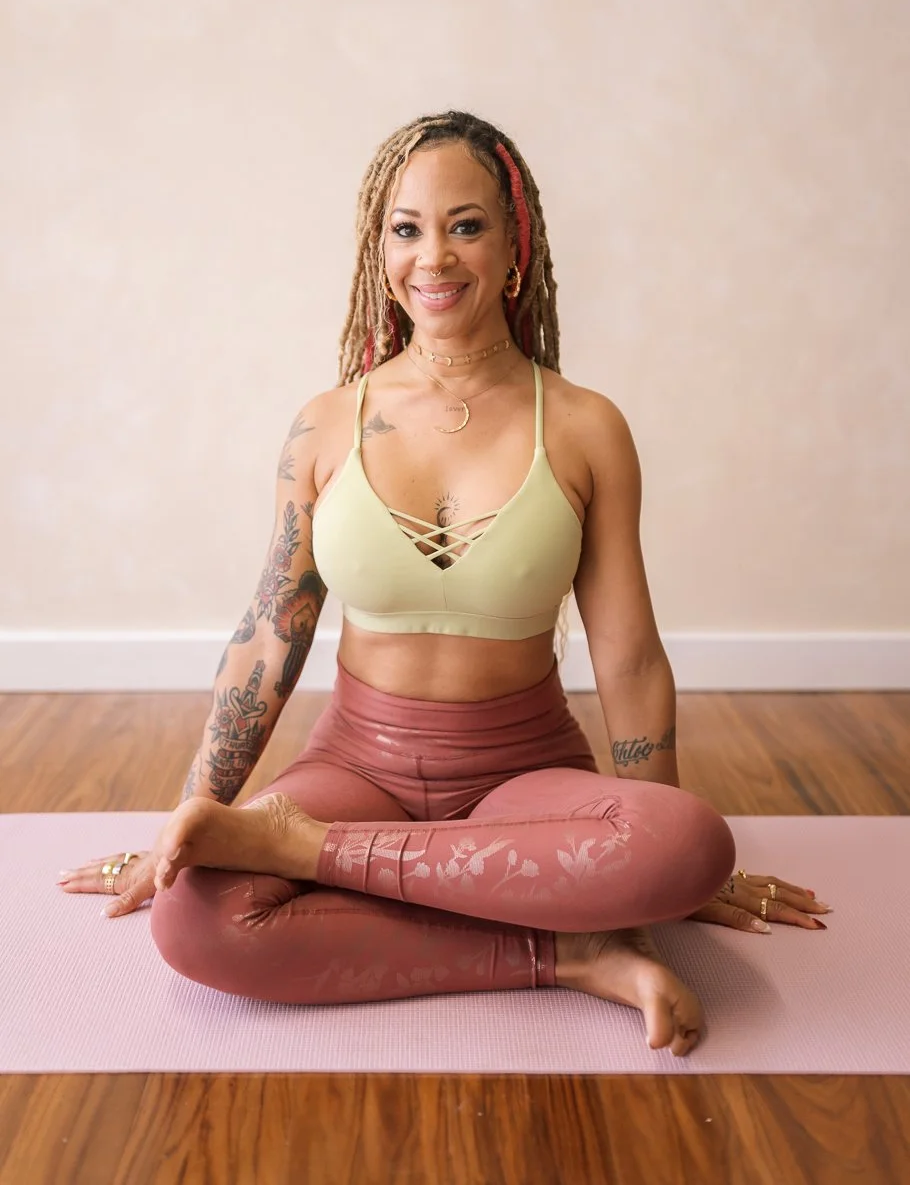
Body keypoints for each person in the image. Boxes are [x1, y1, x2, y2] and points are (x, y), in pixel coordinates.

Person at [57, 110, 829, 1057]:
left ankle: (316, 855)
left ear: (515, 244)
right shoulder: (327, 425)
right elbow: (269, 638)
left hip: (523, 773)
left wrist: (657, 884)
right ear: (378, 247)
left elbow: (628, 656)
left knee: (693, 845)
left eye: (465, 224)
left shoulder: (585, 427)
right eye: (406, 227)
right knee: (193, 917)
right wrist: (187, 823)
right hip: (355, 767)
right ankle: (567, 955)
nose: (433, 256)